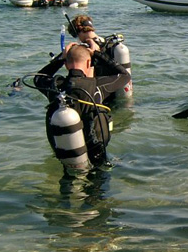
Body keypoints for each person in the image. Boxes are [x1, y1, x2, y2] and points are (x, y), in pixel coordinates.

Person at [34, 42, 131, 170]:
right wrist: (97, 54)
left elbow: (37, 78)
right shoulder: (98, 86)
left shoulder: (55, 87)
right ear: (88, 63)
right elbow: (125, 75)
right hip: (96, 154)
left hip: (69, 153)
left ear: (67, 65)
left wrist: (61, 57)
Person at [66, 14, 132, 100]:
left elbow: (85, 78)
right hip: (118, 88)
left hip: (101, 95)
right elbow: (126, 75)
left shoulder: (87, 49)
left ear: (77, 31)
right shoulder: (108, 43)